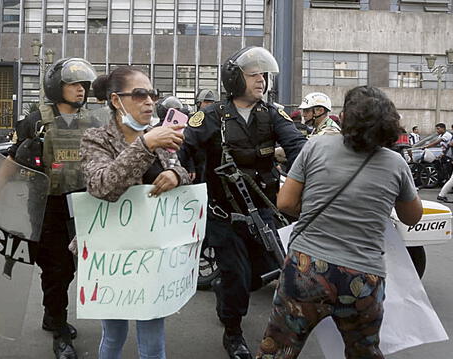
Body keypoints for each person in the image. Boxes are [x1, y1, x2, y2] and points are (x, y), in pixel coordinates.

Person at [256, 86, 422, 359]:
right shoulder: (395, 164)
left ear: (344, 118)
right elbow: (411, 217)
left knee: (278, 349)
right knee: (363, 352)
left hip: (306, 268)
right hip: (363, 277)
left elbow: (284, 203)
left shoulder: (317, 145)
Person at [178, 46, 307, 359]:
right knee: (236, 274)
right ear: (235, 79)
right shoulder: (209, 116)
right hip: (224, 215)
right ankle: (233, 333)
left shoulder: (272, 114)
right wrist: (174, 173)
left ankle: (227, 297)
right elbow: (182, 148)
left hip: (263, 211)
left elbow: (299, 149)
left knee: (257, 274)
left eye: (263, 75)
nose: (261, 80)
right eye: (253, 75)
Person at [0, 57, 99, 359]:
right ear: (56, 87)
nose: (81, 90)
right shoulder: (36, 119)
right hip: (46, 206)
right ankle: (59, 329)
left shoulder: (93, 120)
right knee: (55, 268)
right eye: (73, 84)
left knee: (71, 269)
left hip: (83, 206)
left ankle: (52, 315)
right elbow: (15, 156)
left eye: (83, 85)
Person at [80, 66, 190, 359]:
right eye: (140, 94)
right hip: (111, 258)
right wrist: (145, 144)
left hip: (152, 257)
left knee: (153, 342)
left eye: (152, 94)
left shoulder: (160, 136)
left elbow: (182, 169)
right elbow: (102, 185)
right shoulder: (96, 139)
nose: (150, 102)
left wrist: (177, 176)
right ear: (116, 101)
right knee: (114, 335)